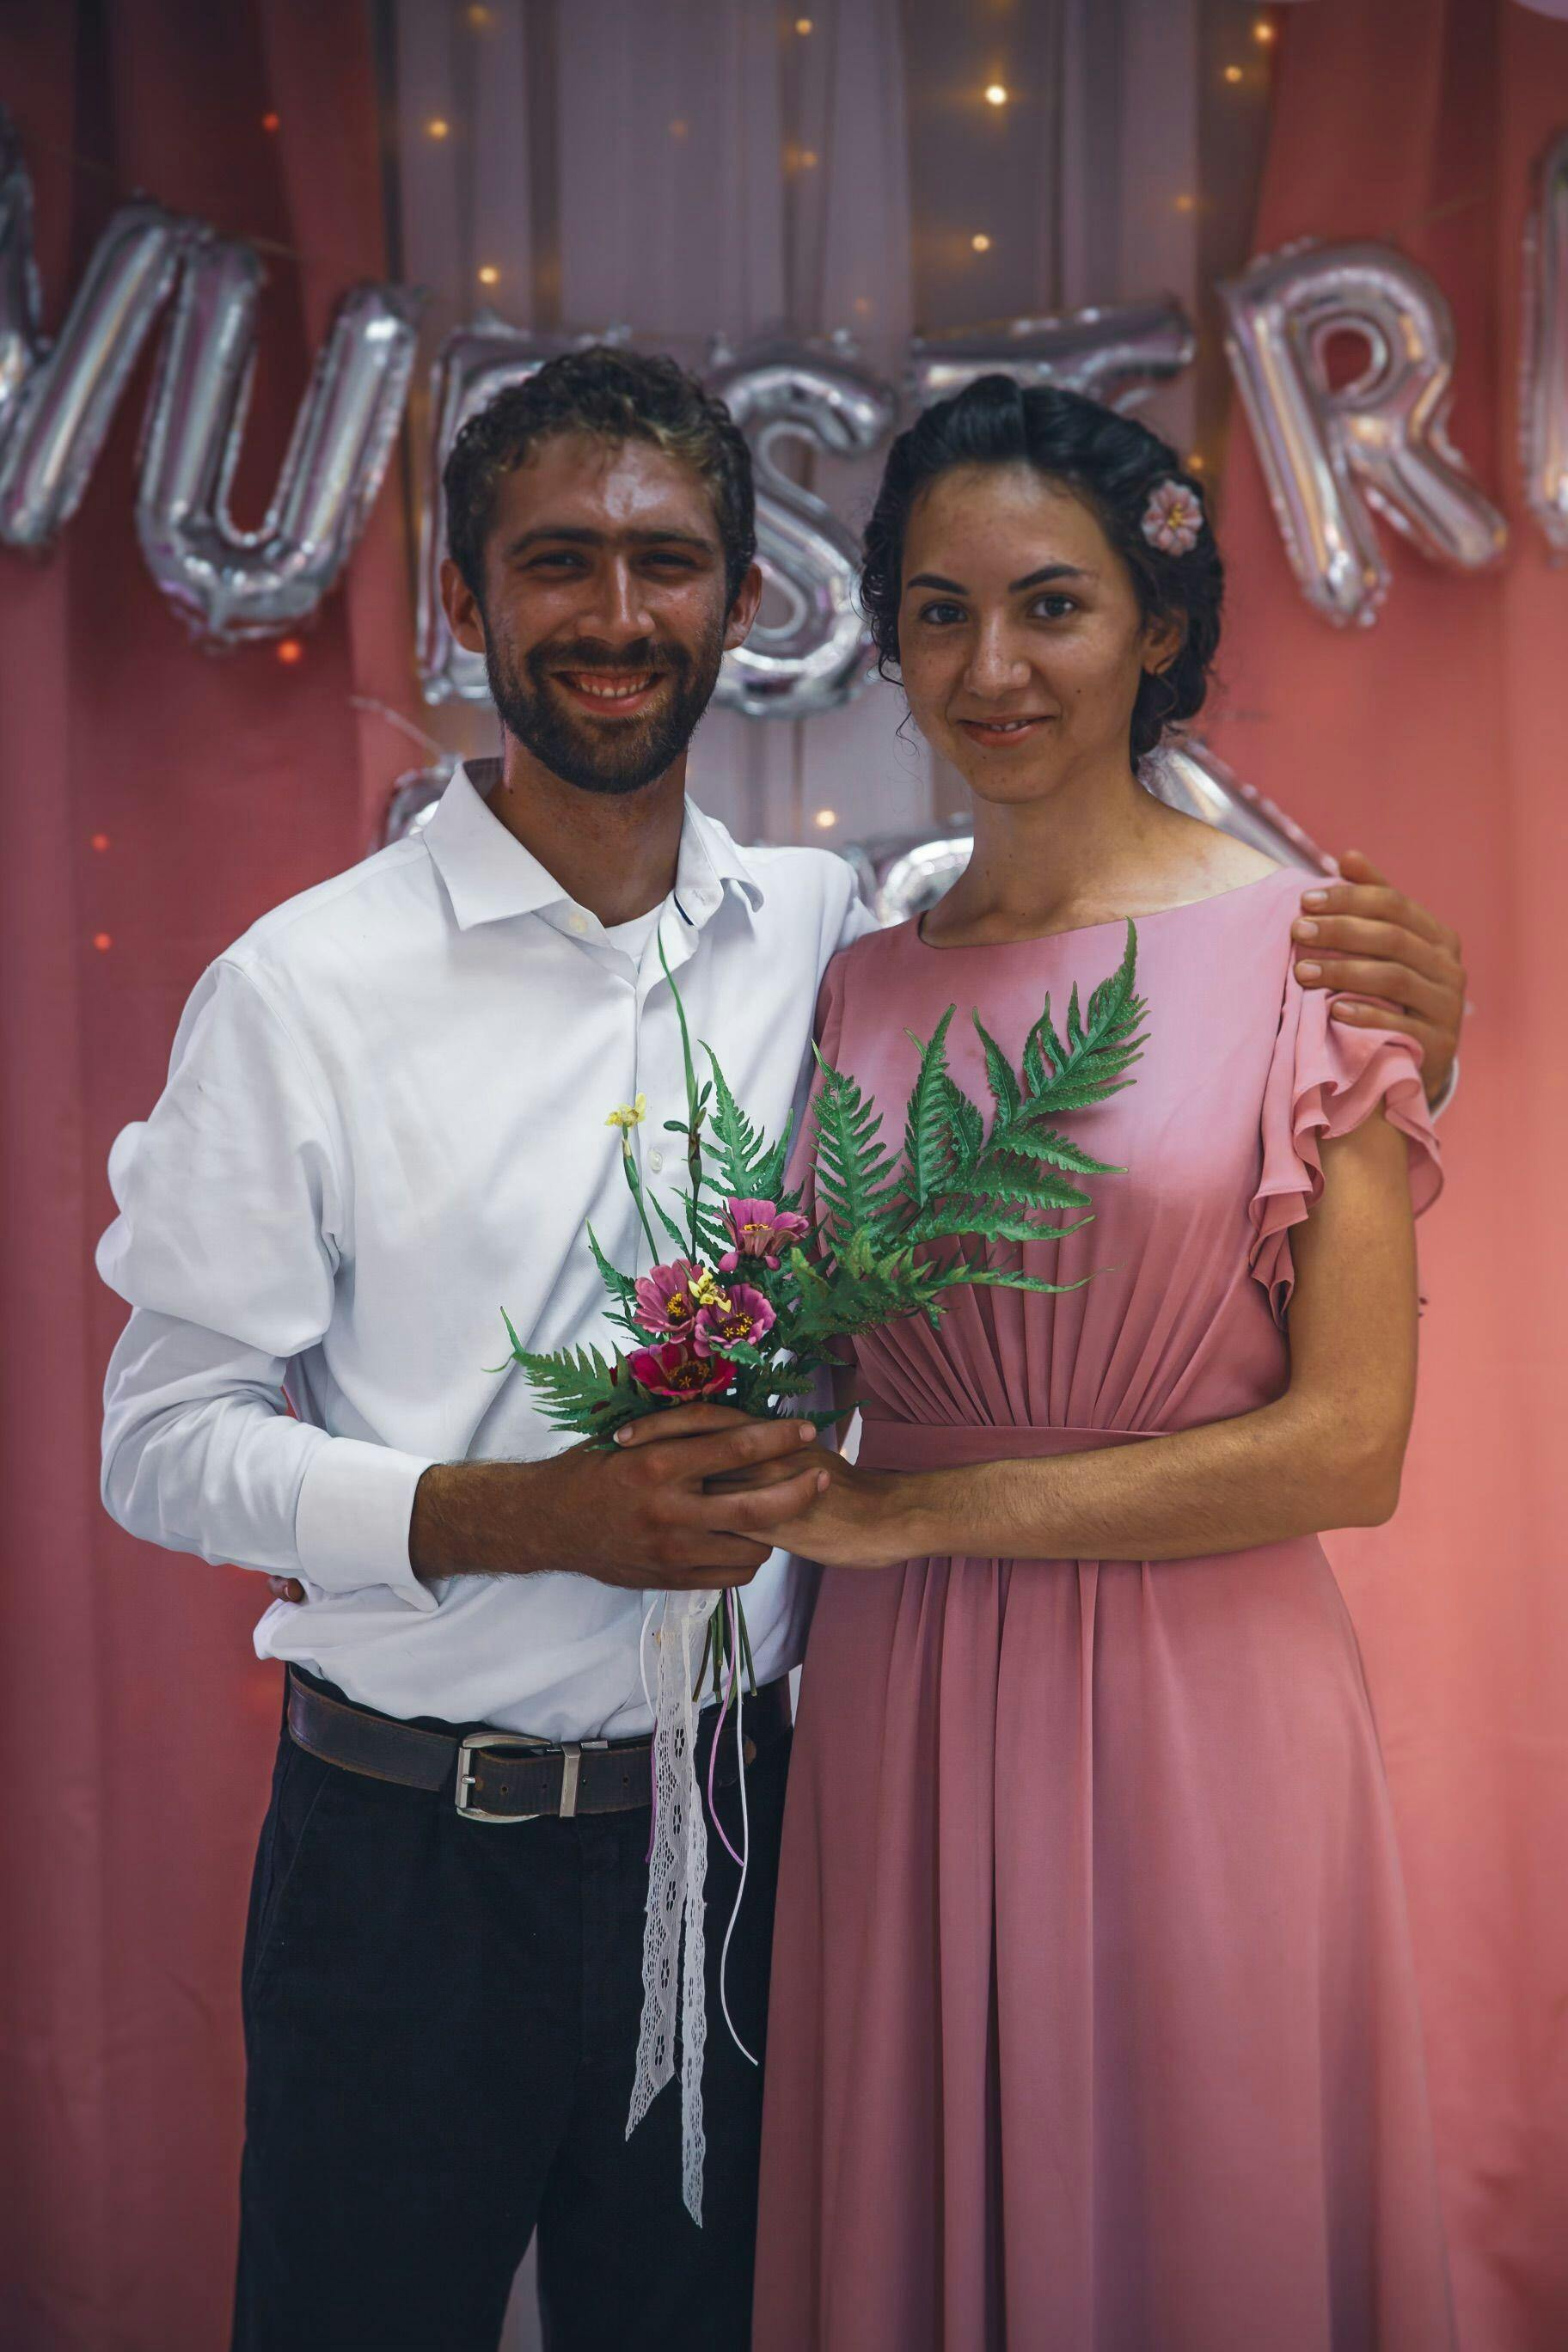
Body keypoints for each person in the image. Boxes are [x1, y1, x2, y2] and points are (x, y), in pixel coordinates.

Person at [95, 351, 1465, 2352]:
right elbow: (159, 1443)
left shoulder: (820, 939)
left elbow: (1155, 1122)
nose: (617, 613)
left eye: (666, 563)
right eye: (556, 563)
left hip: (753, 1833)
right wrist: (516, 1514)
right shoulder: (304, 987)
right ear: (463, 600)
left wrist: (1414, 1045)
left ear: (750, 604)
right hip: (414, 1859)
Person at [677, 376, 1461, 2350]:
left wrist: (902, 1514)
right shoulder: (860, 981)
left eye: (1052, 606)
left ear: (1158, 627)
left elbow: (1349, 1449)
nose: (992, 668)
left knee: (1200, 2222)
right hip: (904, 1708)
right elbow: (813, 1351)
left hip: (1205, 1708)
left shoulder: (1316, 957)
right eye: (939, 613)